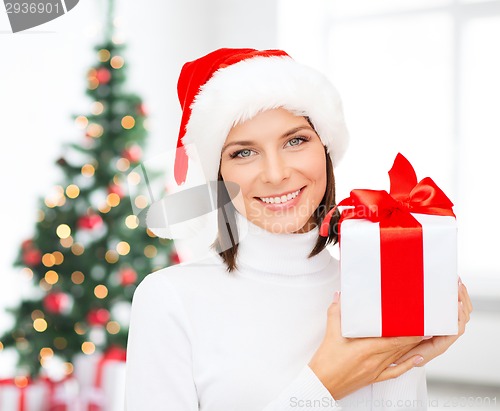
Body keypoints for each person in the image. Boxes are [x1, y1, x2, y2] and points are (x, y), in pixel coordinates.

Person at [125, 48, 472, 411]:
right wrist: (323, 385)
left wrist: (407, 353)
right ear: (217, 174)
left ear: (324, 146)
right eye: (243, 152)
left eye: (295, 141)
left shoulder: (374, 283)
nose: (276, 174)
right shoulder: (169, 299)